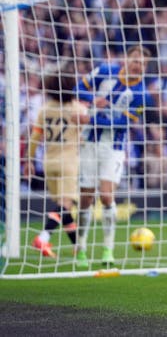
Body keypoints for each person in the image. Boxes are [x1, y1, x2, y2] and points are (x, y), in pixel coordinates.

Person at [74, 45, 155, 268]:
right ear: (126, 60)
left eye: (143, 64)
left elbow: (125, 123)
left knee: (107, 196)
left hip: (114, 147)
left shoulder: (141, 95)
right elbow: (77, 88)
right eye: (135, 60)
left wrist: (92, 119)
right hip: (89, 142)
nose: (138, 65)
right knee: (85, 198)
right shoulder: (104, 71)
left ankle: (107, 250)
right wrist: (92, 100)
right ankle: (80, 247)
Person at [28, 68, 90, 258]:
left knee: (63, 208)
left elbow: (35, 137)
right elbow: (86, 136)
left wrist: (28, 160)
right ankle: (43, 238)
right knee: (65, 205)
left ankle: (78, 249)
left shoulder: (44, 110)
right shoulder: (78, 109)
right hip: (69, 162)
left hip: (49, 161)